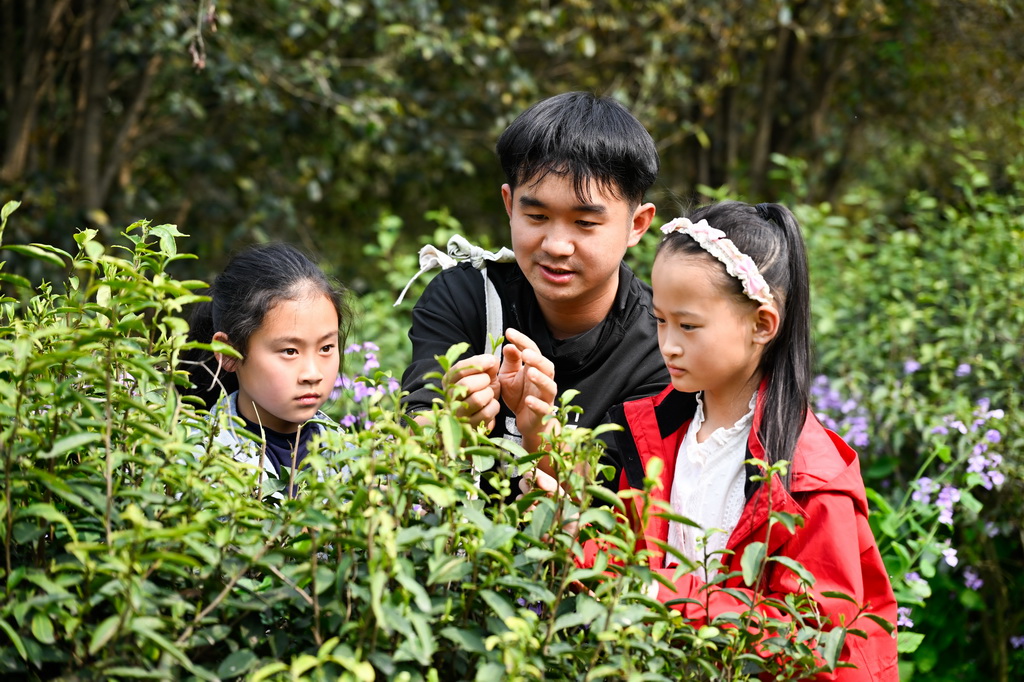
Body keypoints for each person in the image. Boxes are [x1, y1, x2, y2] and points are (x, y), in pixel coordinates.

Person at [584, 201, 898, 679]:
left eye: (688, 325)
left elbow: (813, 641)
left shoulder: (809, 478)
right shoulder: (651, 432)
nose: (667, 343)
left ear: (762, 325)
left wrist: (655, 592)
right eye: (660, 320)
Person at [401, 91, 669, 477]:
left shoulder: (663, 345)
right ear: (510, 206)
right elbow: (411, 440)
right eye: (537, 216)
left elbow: (626, 505)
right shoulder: (463, 299)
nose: (556, 246)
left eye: (585, 223)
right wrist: (450, 422)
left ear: (637, 224)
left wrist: (540, 434)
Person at [181, 243, 352, 496]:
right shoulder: (197, 464)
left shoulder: (351, 460)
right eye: (290, 351)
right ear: (229, 353)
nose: (313, 374)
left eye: (326, 348)